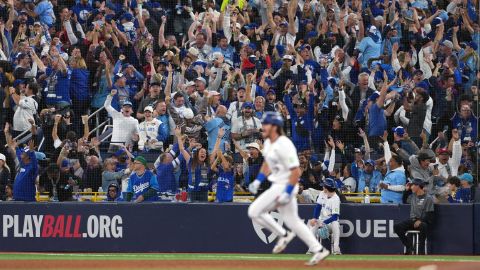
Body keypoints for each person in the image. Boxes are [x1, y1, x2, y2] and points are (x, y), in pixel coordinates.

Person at [247, 111, 329, 266]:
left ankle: (283, 234)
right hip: (279, 184)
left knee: (254, 211)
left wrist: (287, 192)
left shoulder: (285, 144)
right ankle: (318, 249)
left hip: (285, 185)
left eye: (266, 124)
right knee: (294, 221)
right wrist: (258, 181)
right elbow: (266, 164)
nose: (263, 126)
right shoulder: (270, 143)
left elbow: (296, 171)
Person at [394, 179, 434, 255]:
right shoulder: (412, 196)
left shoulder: (428, 198)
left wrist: (420, 220)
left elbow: (430, 215)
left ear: (418, 186)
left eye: (412, 185)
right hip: (412, 220)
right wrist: (406, 190)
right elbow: (404, 200)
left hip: (422, 221)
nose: (411, 187)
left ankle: (421, 252)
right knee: (397, 227)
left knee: (424, 226)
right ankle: (410, 247)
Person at [308, 178, 341, 255]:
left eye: (324, 186)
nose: (322, 187)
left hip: (330, 224)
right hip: (321, 221)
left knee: (335, 223)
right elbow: (318, 207)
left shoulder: (336, 199)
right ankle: (311, 248)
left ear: (327, 188)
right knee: (313, 223)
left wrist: (324, 223)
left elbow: (335, 217)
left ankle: (336, 249)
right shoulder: (322, 194)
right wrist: (314, 218)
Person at [378, 134, 406, 204]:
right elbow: (387, 156)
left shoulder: (400, 174)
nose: (388, 162)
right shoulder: (391, 171)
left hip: (394, 204)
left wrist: (387, 186)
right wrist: (385, 142)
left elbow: (402, 187)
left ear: (397, 163)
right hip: (385, 202)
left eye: (391, 161)